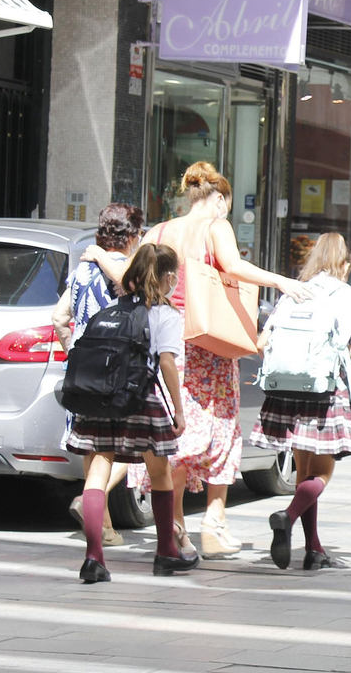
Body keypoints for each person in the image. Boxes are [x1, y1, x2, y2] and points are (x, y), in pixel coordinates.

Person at [108, 163, 313, 560]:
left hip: (168, 344)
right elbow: (233, 267)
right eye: (227, 204)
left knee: (177, 439)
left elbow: (129, 280)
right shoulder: (217, 225)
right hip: (209, 348)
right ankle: (214, 522)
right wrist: (281, 281)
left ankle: (179, 524)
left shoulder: (159, 231)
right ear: (219, 199)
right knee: (219, 430)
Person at [66, 244, 194, 582]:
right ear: (169, 278)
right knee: (160, 473)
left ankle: (94, 558)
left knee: (97, 473)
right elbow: (166, 362)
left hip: (99, 400)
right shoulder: (166, 314)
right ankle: (166, 551)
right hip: (140, 400)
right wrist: (179, 411)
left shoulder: (111, 309)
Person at [253, 233, 351, 570]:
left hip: (287, 392)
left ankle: (313, 550)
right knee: (321, 474)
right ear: (345, 264)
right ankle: (287, 517)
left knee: (304, 471)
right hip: (325, 391)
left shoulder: (295, 292)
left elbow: (263, 342)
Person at [55, 203, 142, 548]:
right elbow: (132, 286)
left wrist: (75, 352)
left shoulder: (82, 271)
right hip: (119, 372)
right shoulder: (127, 268)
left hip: (83, 372)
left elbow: (59, 317)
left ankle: (102, 527)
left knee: (93, 448)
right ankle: (92, 500)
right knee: (137, 448)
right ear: (133, 237)